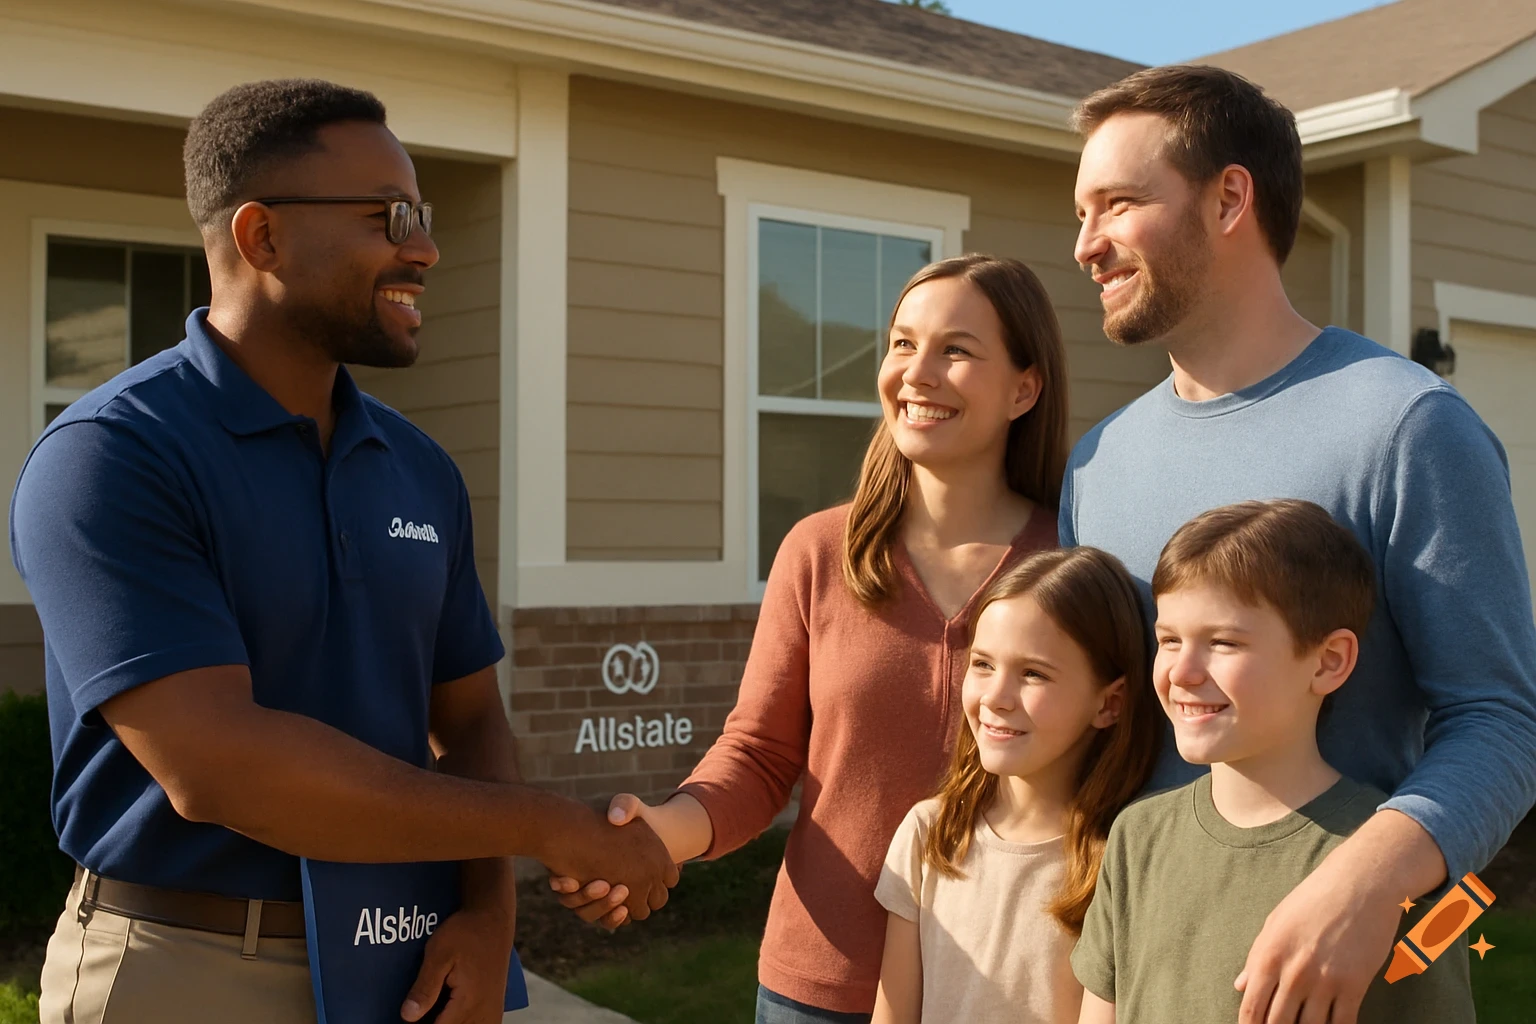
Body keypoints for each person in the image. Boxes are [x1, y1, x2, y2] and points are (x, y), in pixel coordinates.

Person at [9, 79, 674, 1024]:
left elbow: (471, 718)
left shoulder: (419, 469)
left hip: (401, 966)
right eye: (389, 216)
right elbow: (219, 767)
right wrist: (551, 828)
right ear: (260, 237)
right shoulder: (110, 458)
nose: (425, 247)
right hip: (188, 966)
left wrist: (488, 914)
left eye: (424, 215)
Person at [1064, 64, 1536, 1024]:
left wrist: (1367, 880)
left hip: (1358, 990)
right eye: (1081, 212)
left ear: (1230, 196)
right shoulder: (1097, 465)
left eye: (1117, 204)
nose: (1085, 245)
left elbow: (1502, 722)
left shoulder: (1407, 425)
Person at [555, 254, 1068, 1022]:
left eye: (955, 350)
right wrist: (659, 834)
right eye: (901, 343)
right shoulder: (820, 551)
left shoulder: (1070, 565)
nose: (916, 372)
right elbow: (759, 758)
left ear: (1025, 387)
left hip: (1013, 988)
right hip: (820, 986)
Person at [1074, 499, 1475, 1023]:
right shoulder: (1135, 837)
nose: (1183, 672)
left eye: (1223, 642)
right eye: (1169, 640)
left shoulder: (1407, 869)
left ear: (1328, 661)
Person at [870, 547, 1161, 1024]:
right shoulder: (929, 834)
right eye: (982, 665)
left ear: (1110, 703)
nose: (996, 698)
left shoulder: (1126, 856)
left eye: (1032, 673)